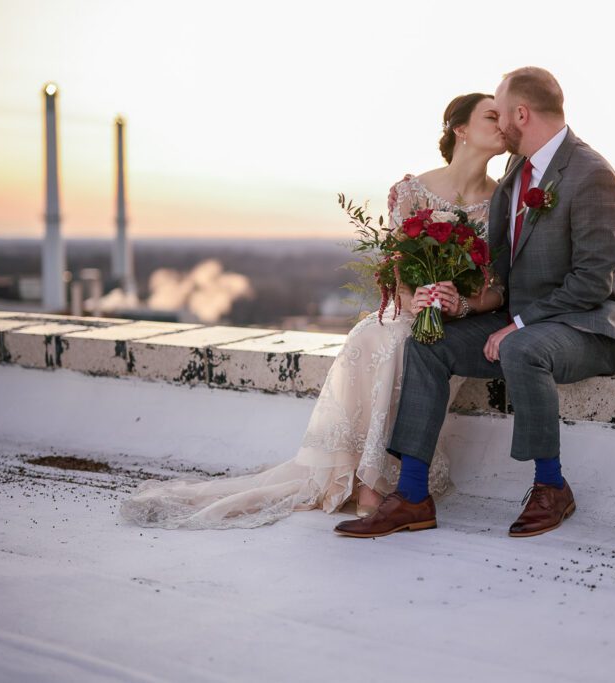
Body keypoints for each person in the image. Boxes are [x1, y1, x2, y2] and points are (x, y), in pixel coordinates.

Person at [119, 93, 508, 529]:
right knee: (372, 335)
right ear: (460, 129)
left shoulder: (502, 203)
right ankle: (362, 475)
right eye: (491, 116)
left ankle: (375, 482)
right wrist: (412, 301)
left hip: (453, 323)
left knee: (410, 343)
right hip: (407, 310)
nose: (503, 124)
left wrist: (461, 304)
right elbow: (399, 273)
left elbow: (499, 289)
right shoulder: (411, 192)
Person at [334, 67, 615, 539]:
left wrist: (518, 323)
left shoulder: (592, 175)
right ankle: (414, 497)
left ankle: (551, 486)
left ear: (521, 113)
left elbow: (592, 282)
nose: (498, 124)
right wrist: (461, 304)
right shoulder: (516, 172)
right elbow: (502, 268)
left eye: (500, 113)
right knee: (429, 343)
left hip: (592, 327)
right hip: (523, 320)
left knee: (521, 347)